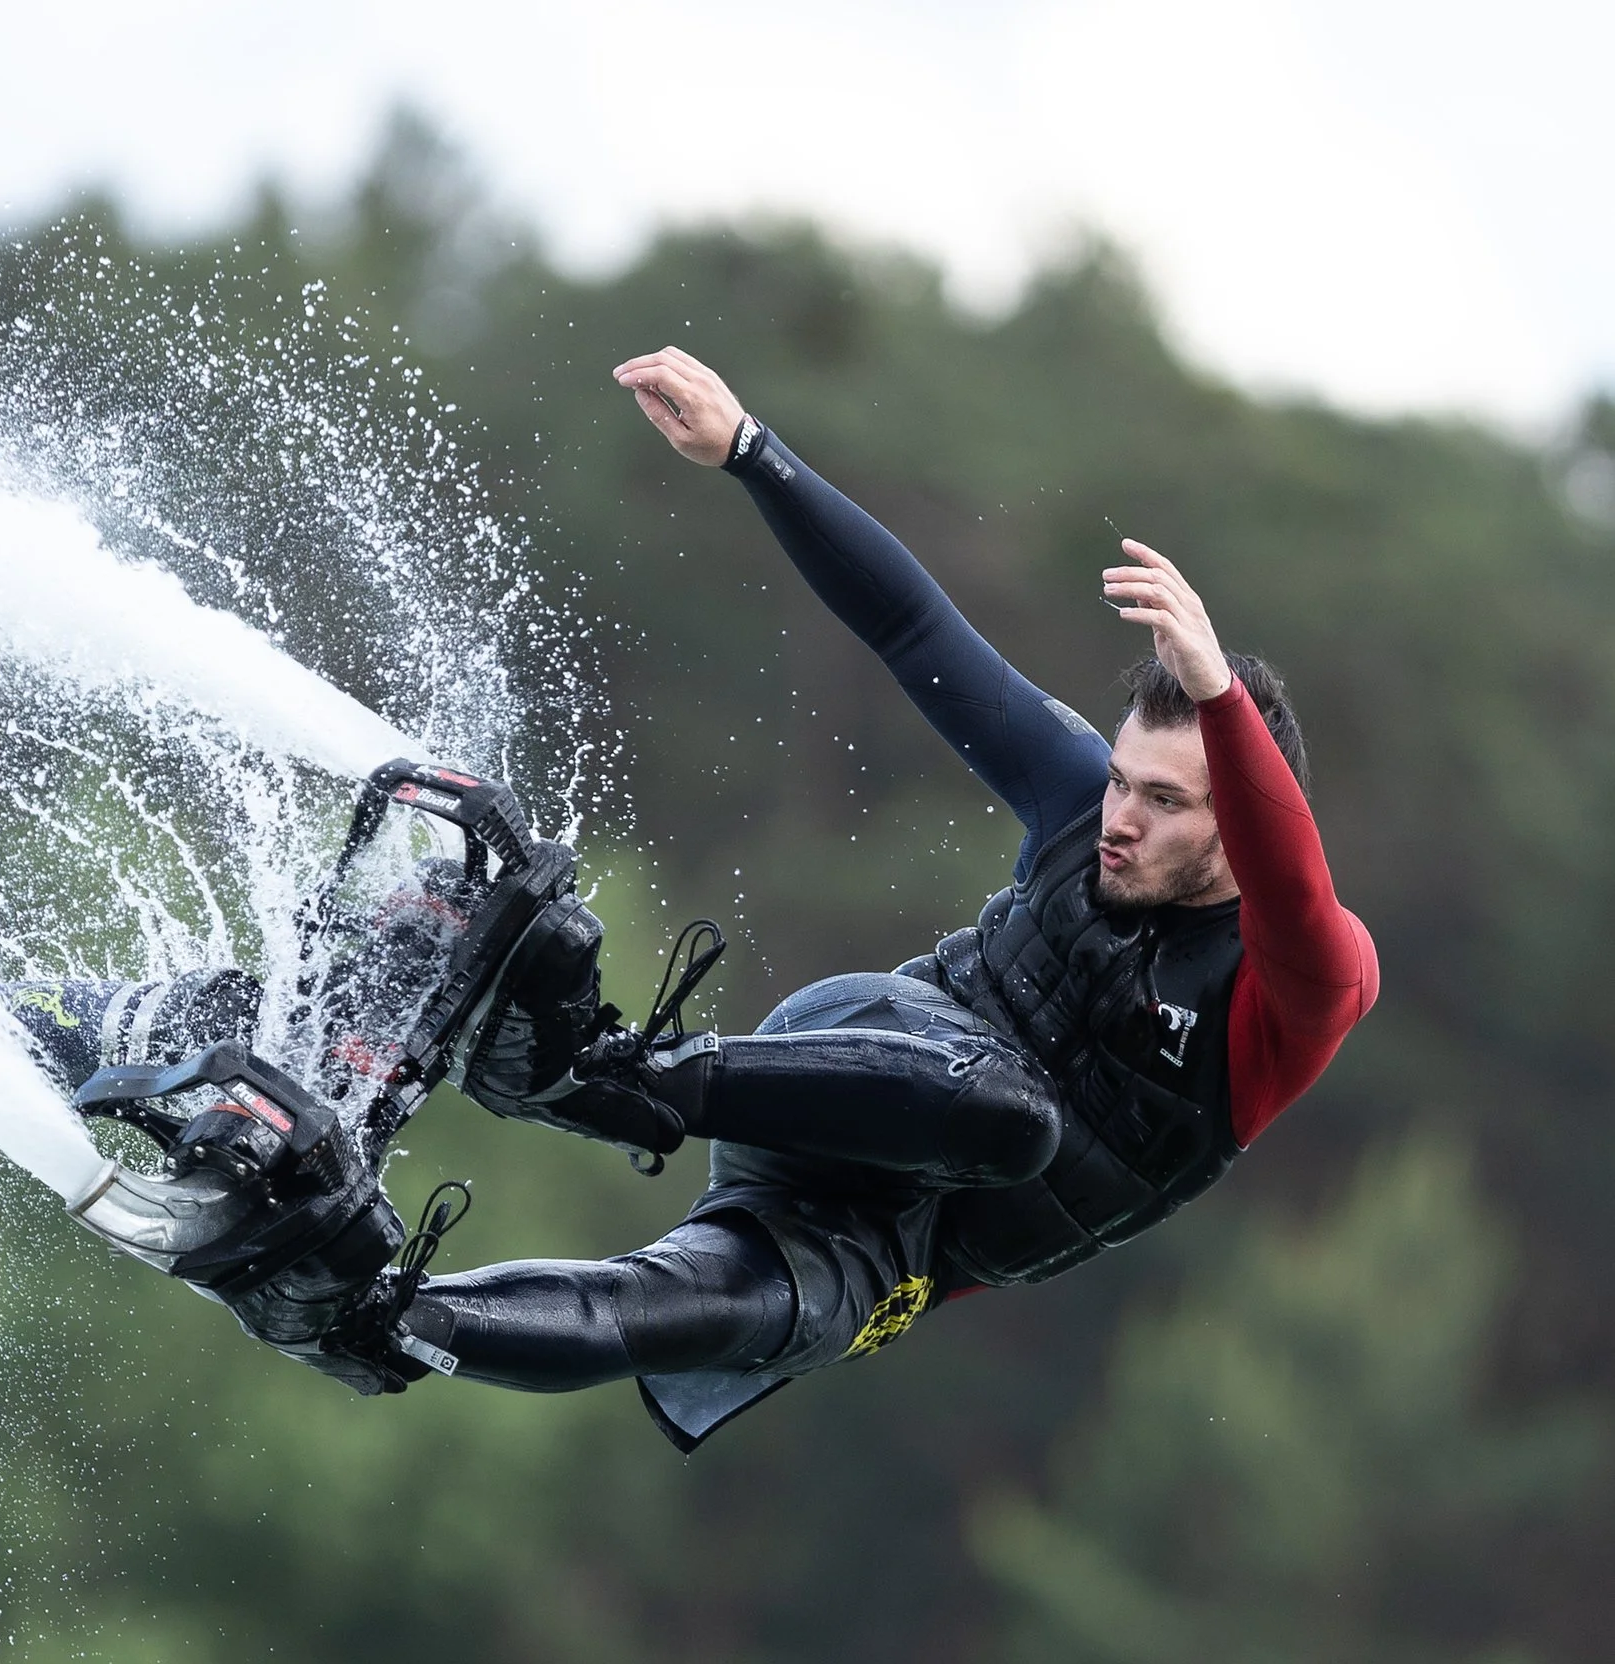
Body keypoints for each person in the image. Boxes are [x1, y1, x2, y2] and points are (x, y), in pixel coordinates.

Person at [276, 342, 1379, 1443]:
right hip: (857, 1057)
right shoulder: (1076, 799)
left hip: (887, 1244)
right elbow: (912, 630)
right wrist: (752, 453)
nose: (1119, 816)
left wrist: (1221, 695)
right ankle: (591, 1066)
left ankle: (358, 1308)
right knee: (1013, 1118)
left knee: (682, 1311)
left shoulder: (1300, 989)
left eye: (1164, 803)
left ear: (1234, 814)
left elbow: (1291, 877)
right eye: (1123, 783)